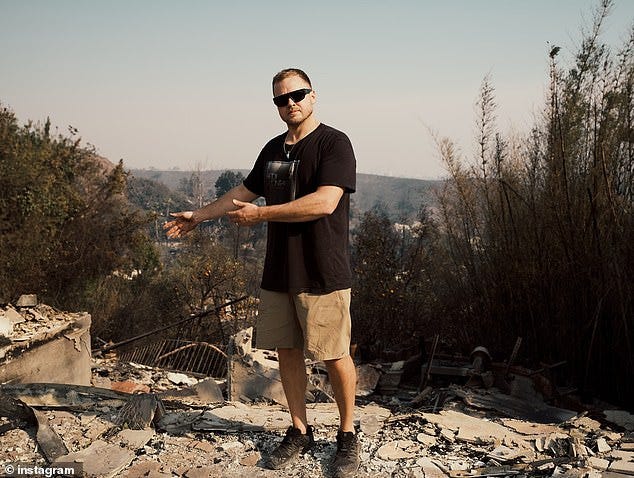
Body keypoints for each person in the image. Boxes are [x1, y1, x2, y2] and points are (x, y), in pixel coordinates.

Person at [164, 68, 360, 477]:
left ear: (313, 96)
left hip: (323, 271)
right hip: (279, 272)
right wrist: (199, 216)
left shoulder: (334, 143)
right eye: (280, 99)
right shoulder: (273, 148)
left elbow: (324, 203)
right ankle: (299, 429)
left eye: (297, 95)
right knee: (287, 352)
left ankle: (346, 435)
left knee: (334, 355)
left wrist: (263, 215)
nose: (290, 103)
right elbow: (242, 194)